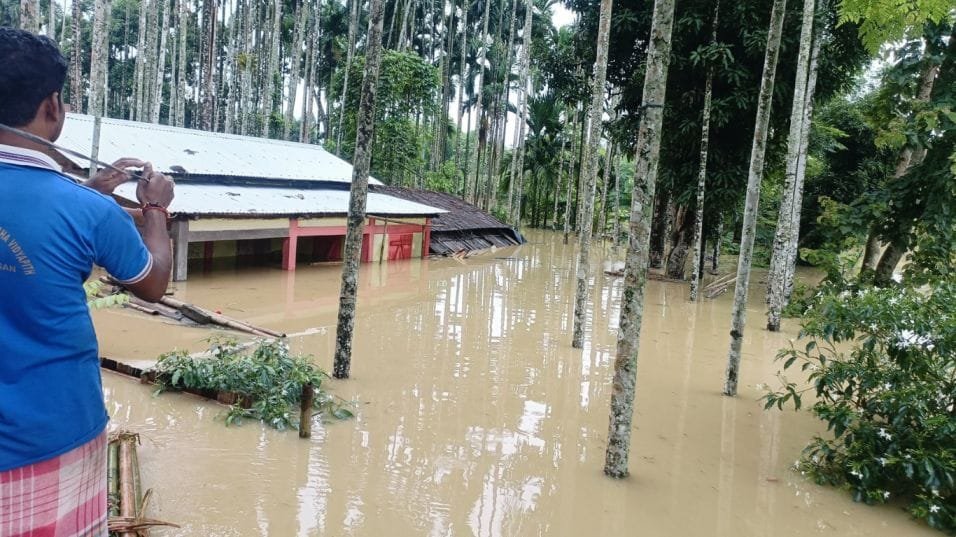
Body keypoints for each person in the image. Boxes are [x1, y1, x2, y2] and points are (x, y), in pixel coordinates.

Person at [0, 28, 175, 536]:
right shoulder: (89, 211)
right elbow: (153, 283)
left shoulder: (84, 202)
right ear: (52, 106)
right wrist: (156, 209)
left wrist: (86, 190)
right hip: (50, 438)